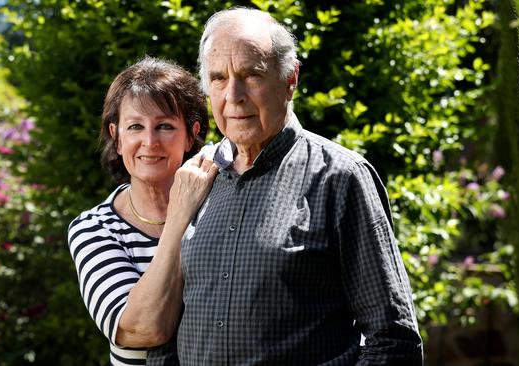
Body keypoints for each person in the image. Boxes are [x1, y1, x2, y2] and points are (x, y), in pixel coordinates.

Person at [167, 8, 424, 365]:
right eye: (219, 79)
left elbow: (393, 339)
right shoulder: (193, 179)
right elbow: (165, 329)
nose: (234, 95)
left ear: (290, 80)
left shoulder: (340, 178)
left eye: (251, 75)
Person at [67, 57, 217, 366]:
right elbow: (142, 330)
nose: (149, 142)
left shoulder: (222, 206)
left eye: (164, 126)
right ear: (117, 137)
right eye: (135, 126)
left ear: (191, 134)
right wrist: (179, 216)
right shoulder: (93, 229)